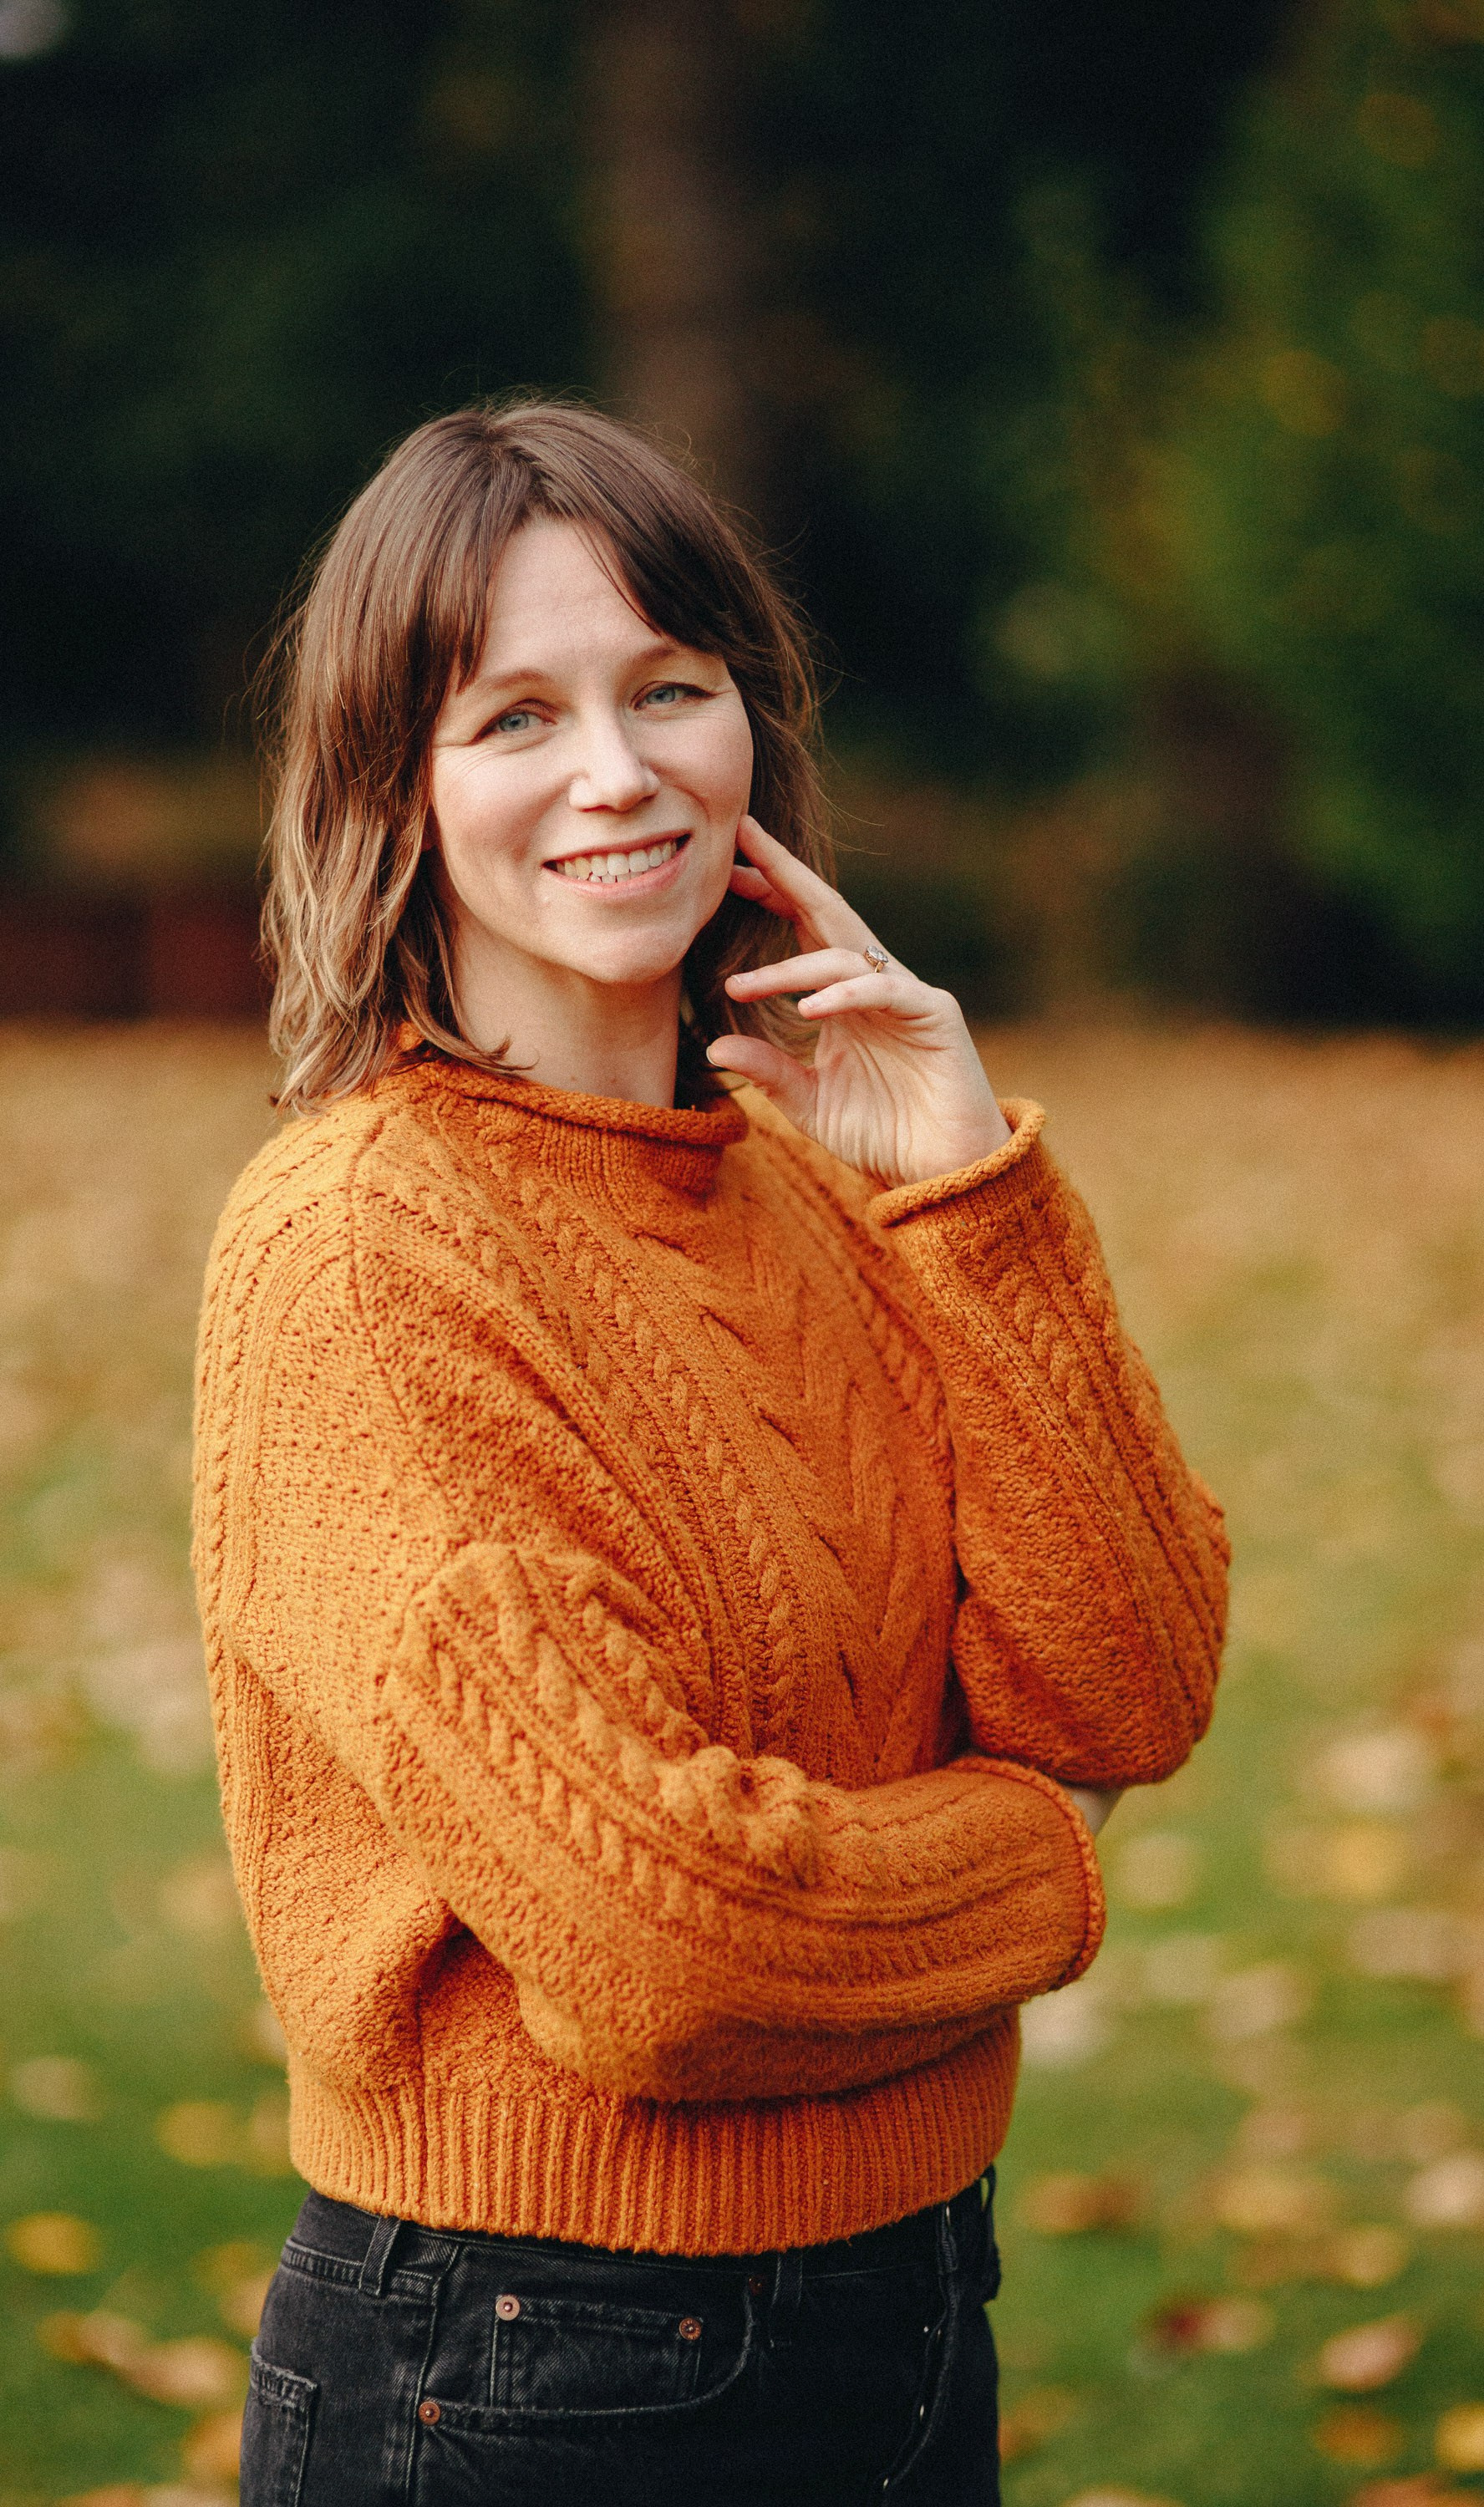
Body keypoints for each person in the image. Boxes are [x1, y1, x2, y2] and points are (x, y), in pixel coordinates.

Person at [193, 400, 1227, 2507]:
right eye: (513, 716)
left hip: (917, 2287)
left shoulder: (835, 1166)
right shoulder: (360, 1251)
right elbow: (666, 1948)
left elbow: (1128, 1684)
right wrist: (1039, 1847)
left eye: (670, 687)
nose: (616, 771)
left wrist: (968, 1193)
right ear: (393, 787)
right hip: (528, 2360)